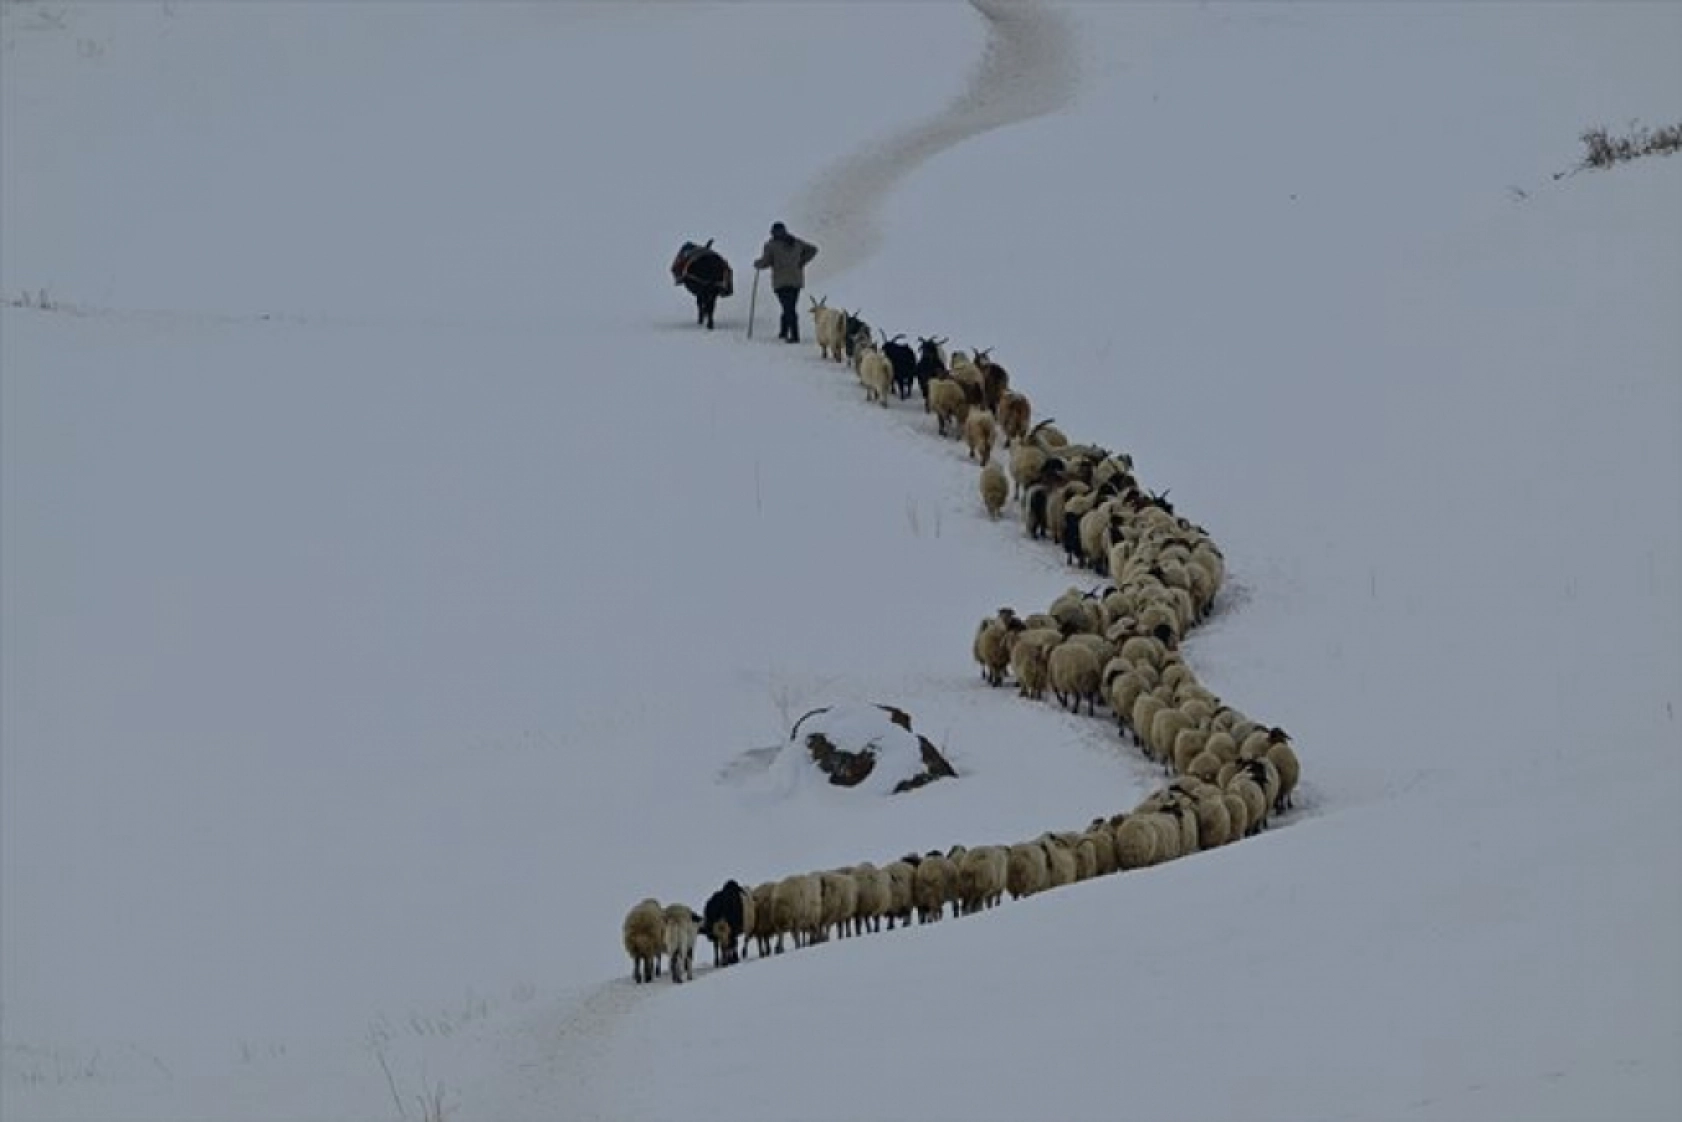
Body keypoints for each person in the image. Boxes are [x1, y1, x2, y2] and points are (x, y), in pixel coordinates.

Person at [753, 221, 818, 343]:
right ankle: (784, 331)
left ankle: (794, 335)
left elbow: (766, 261)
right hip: (796, 280)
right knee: (789, 307)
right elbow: (813, 250)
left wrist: (758, 264)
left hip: (780, 282)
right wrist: (801, 261)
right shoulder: (796, 242)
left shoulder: (770, 245)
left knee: (788, 308)